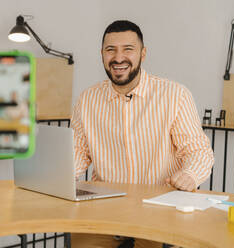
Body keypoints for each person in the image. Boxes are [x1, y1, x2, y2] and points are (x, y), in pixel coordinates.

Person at [71, 20, 214, 247]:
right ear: (102, 54)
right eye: (111, 50)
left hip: (159, 209)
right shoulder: (87, 99)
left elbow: (199, 151)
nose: (118, 58)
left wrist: (190, 175)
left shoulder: (175, 95)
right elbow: (78, 151)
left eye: (128, 49)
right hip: (104, 208)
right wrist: (60, 174)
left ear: (143, 53)